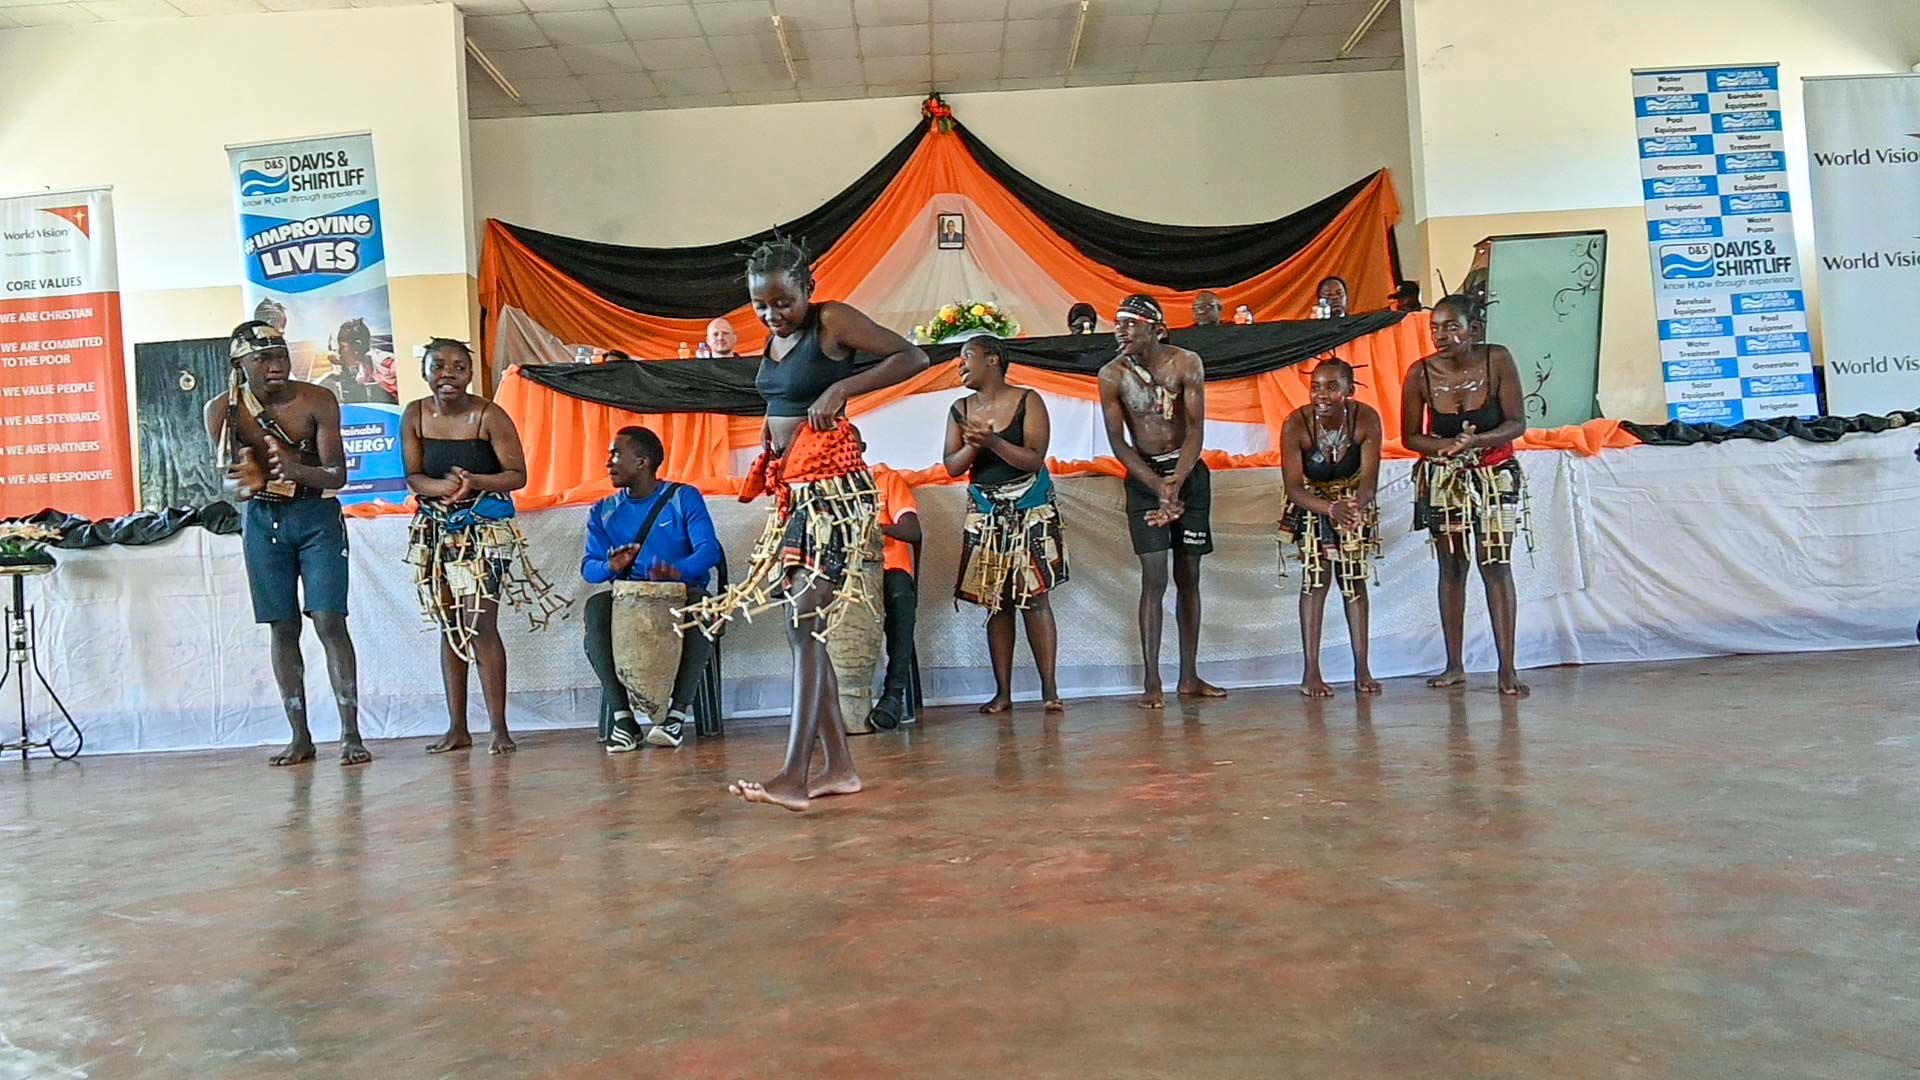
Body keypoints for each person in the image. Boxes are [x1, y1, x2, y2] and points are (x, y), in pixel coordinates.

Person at [678, 238, 928, 811]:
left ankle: (795, 773)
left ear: (808, 290)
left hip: (833, 493)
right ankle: (839, 769)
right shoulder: (776, 337)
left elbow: (912, 358)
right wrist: (772, 437)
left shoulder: (831, 320)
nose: (772, 315)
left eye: (783, 303)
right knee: (802, 626)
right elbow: (784, 399)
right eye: (761, 306)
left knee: (805, 623)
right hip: (798, 491)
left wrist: (841, 388)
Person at [204, 321, 370, 767]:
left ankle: (351, 734)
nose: (275, 366)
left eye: (280, 356)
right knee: (282, 625)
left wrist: (290, 471)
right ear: (239, 364)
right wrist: (248, 482)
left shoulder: (317, 399)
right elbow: (230, 481)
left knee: (329, 620)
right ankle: (300, 736)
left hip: (316, 516)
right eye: (262, 359)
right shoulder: (222, 410)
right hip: (264, 521)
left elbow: (337, 475)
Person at [402, 339, 564, 756]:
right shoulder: (414, 414)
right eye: (438, 366)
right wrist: (442, 488)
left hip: (485, 531)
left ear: (471, 374)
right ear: (425, 371)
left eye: (458, 367)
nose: (448, 374)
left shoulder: (489, 415)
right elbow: (413, 476)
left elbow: (517, 475)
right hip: (436, 531)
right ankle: (457, 727)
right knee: (450, 624)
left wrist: (474, 482)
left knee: (479, 624)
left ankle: (499, 728)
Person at [1097, 294, 1227, 709]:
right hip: (1145, 480)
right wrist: (1158, 486)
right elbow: (1118, 442)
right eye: (1118, 323)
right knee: (1154, 579)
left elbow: (1195, 430)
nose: (1120, 331)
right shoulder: (1111, 375)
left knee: (1189, 576)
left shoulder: (1186, 362)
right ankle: (1152, 679)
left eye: (1130, 324)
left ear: (1157, 329)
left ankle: (1188, 676)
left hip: (1187, 476)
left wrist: (1177, 481)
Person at [1400, 294, 1531, 696]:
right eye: (1435, 328)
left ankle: (1507, 668)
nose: (1441, 336)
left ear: (1473, 330)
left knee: (1496, 564)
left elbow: (1517, 423)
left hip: (1495, 473)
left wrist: (1476, 442)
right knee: (1452, 567)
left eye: (1451, 327)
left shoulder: (1497, 359)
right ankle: (1454, 665)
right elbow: (1411, 437)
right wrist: (1446, 448)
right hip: (1445, 479)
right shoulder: (1420, 373)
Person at [944, 336, 1068, 714]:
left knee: (1035, 598)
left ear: (993, 360)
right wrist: (974, 445)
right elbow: (952, 466)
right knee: (996, 603)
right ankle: (1003, 693)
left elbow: (1033, 459)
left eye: (967, 356)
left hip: (1031, 506)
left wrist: (993, 441)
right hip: (986, 511)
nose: (960, 365)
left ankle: (1050, 690)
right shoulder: (960, 408)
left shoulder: (1029, 400)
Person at [582, 426, 723, 752]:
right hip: (629, 600)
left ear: (642, 461)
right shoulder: (603, 511)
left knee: (703, 607)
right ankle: (624, 720)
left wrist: (677, 572)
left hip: (681, 594)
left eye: (616, 454)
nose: (608, 462)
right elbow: (589, 568)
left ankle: (675, 717)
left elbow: (709, 551)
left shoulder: (683, 497)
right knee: (596, 608)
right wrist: (610, 567)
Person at [1278, 359, 1383, 698]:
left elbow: (1369, 480)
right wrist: (1330, 509)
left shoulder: (1366, 418)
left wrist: (1353, 507)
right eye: (1315, 387)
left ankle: (1362, 669)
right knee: (1315, 580)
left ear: (1349, 390)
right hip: (1313, 504)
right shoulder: (1296, 424)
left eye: (1331, 387)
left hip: (1351, 504)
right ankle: (1311, 671)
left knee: (1354, 581)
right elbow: (1294, 487)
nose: (1321, 395)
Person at [866, 461, 920, 731]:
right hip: (843, 572)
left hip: (889, 568)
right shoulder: (824, 485)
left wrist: (874, 529)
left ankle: (894, 694)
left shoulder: (886, 480)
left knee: (900, 595)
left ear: (861, 447)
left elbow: (912, 530)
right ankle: (830, 703)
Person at [334, 318, 398, 404]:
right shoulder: (365, 366)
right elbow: (362, 379)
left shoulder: (385, 363)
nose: (339, 352)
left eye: (342, 347)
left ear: (357, 345)